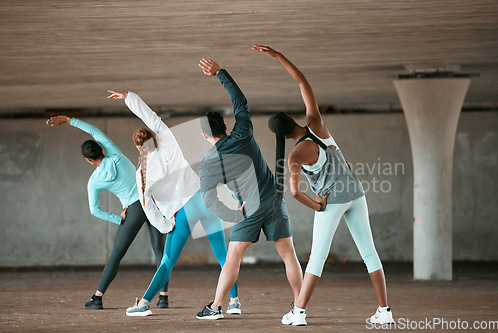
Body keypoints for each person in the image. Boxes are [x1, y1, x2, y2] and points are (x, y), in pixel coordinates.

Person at [255, 45, 395, 326]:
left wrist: (318, 204)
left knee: (317, 258)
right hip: (357, 193)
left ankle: (299, 313)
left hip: (332, 201)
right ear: (291, 121)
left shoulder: (294, 155)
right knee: (369, 253)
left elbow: (295, 192)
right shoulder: (316, 124)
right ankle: (385, 311)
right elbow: (303, 83)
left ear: (279, 135)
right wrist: (279, 56)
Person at [106, 90, 240, 316]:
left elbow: (149, 210)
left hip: (183, 212)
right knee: (224, 256)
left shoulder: (141, 175)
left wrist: (167, 225)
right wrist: (129, 97)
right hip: (206, 199)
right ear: (154, 137)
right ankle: (234, 302)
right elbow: (150, 117)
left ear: (139, 148)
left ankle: (144, 304)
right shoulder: (167, 140)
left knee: (167, 262)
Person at [195, 58, 303, 320]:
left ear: (204, 135)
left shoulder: (209, 163)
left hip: (248, 209)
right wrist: (220, 72)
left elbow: (208, 200)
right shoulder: (243, 131)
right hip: (274, 200)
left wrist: (233, 214)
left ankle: (216, 307)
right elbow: (240, 102)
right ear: (224, 126)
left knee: (233, 258)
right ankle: (300, 305)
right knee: (289, 255)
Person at [46, 115, 166, 310]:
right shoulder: (115, 154)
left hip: (133, 209)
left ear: (88, 160)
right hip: (152, 201)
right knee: (160, 251)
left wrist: (118, 218)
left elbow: (95, 211)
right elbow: (94, 130)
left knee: (117, 253)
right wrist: (69, 120)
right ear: (102, 149)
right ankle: (163, 297)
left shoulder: (94, 181)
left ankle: (97, 298)